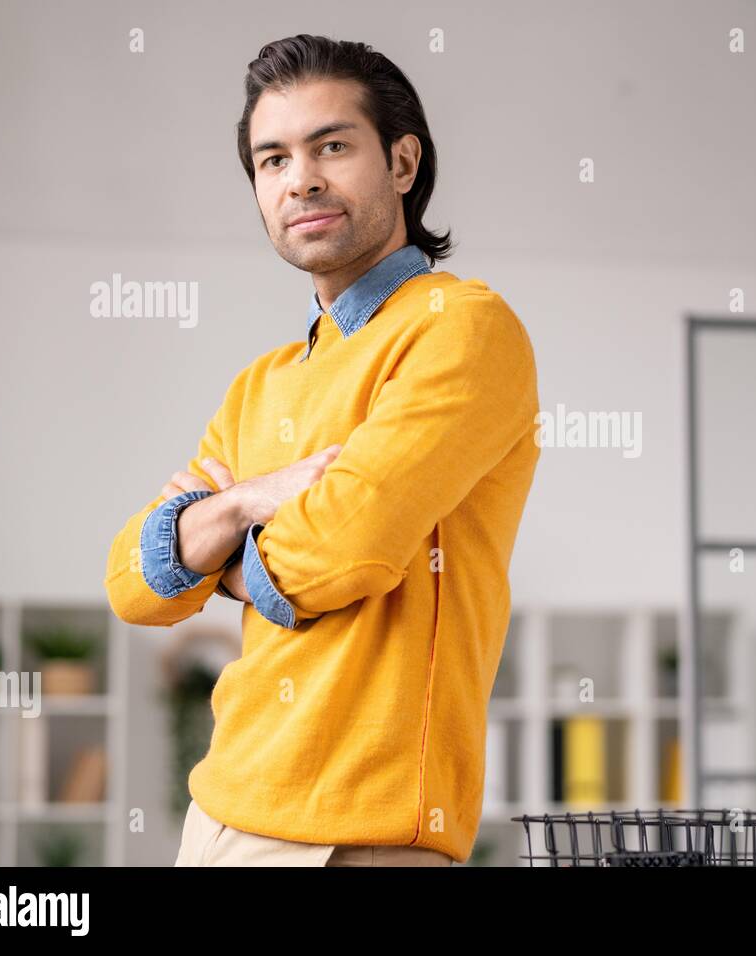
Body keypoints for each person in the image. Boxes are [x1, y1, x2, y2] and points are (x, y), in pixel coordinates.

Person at [103, 34, 541, 867]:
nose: (299, 177)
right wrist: (239, 504)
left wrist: (220, 554)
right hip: (217, 814)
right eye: (272, 159)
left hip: (356, 834)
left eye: (331, 146)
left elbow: (340, 556)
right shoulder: (259, 383)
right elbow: (133, 585)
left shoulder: (463, 328)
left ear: (403, 163)